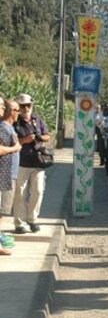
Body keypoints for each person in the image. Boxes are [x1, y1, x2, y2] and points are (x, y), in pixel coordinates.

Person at [13, 93, 50, 234]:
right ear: (19, 107)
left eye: (28, 105)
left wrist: (40, 137)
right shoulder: (14, 122)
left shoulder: (37, 120)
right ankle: (19, 223)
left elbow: (47, 135)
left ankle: (32, 219)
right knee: (19, 193)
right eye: (23, 106)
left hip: (38, 162)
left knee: (38, 191)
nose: (26, 108)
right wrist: (25, 140)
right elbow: (11, 141)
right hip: (22, 162)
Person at [0, 98, 21, 253]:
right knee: (1, 211)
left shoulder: (8, 128)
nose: (19, 113)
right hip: (3, 175)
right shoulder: (3, 128)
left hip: (8, 174)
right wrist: (14, 148)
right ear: (12, 112)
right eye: (17, 110)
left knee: (2, 212)